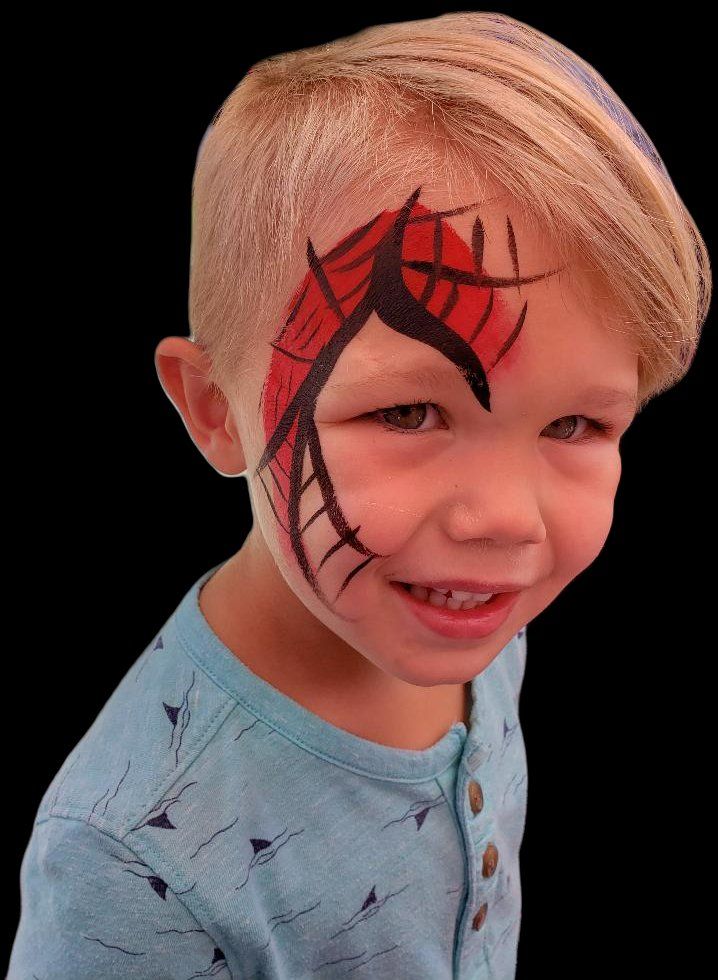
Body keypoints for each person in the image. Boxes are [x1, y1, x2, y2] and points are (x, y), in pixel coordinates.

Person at [8, 11, 710, 979]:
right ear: (216, 410)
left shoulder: (466, 612)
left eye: (574, 425)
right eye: (409, 413)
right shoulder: (132, 857)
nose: (507, 518)